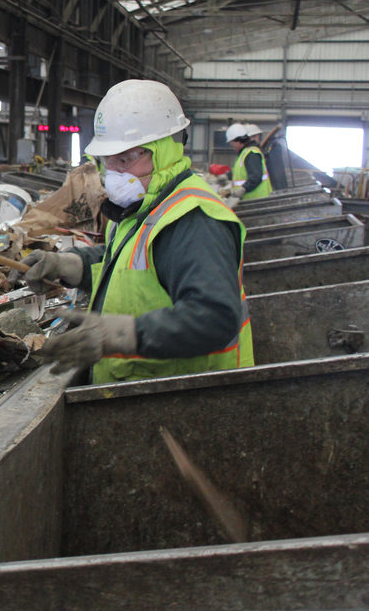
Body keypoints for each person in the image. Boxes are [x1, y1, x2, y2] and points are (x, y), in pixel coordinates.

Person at [22, 79, 254, 384]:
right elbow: (129, 266)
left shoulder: (193, 219)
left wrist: (122, 334)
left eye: (126, 158)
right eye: (108, 161)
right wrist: (69, 264)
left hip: (189, 400)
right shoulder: (149, 204)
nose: (114, 172)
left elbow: (214, 318)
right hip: (148, 393)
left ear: (164, 150)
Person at [224, 122, 272, 204]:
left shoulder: (251, 153)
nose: (232, 146)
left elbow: (256, 176)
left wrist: (243, 189)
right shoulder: (245, 153)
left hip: (257, 201)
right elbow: (240, 171)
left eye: (232, 143)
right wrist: (226, 176)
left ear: (238, 141)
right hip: (251, 199)